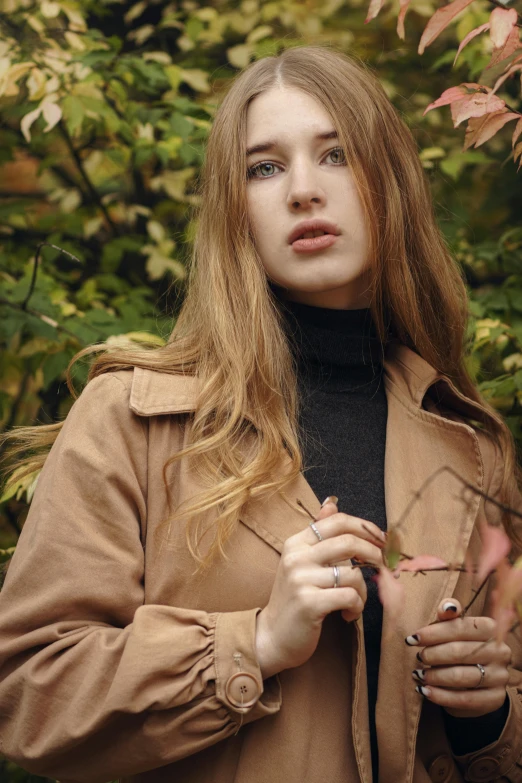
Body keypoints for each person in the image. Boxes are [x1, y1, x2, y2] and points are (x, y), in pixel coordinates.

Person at [0, 43, 521, 783]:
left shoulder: (472, 447)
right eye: (264, 167)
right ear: (233, 206)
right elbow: (26, 693)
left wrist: (489, 714)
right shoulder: (134, 418)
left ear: (391, 180)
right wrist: (257, 642)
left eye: (335, 154)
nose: (304, 191)